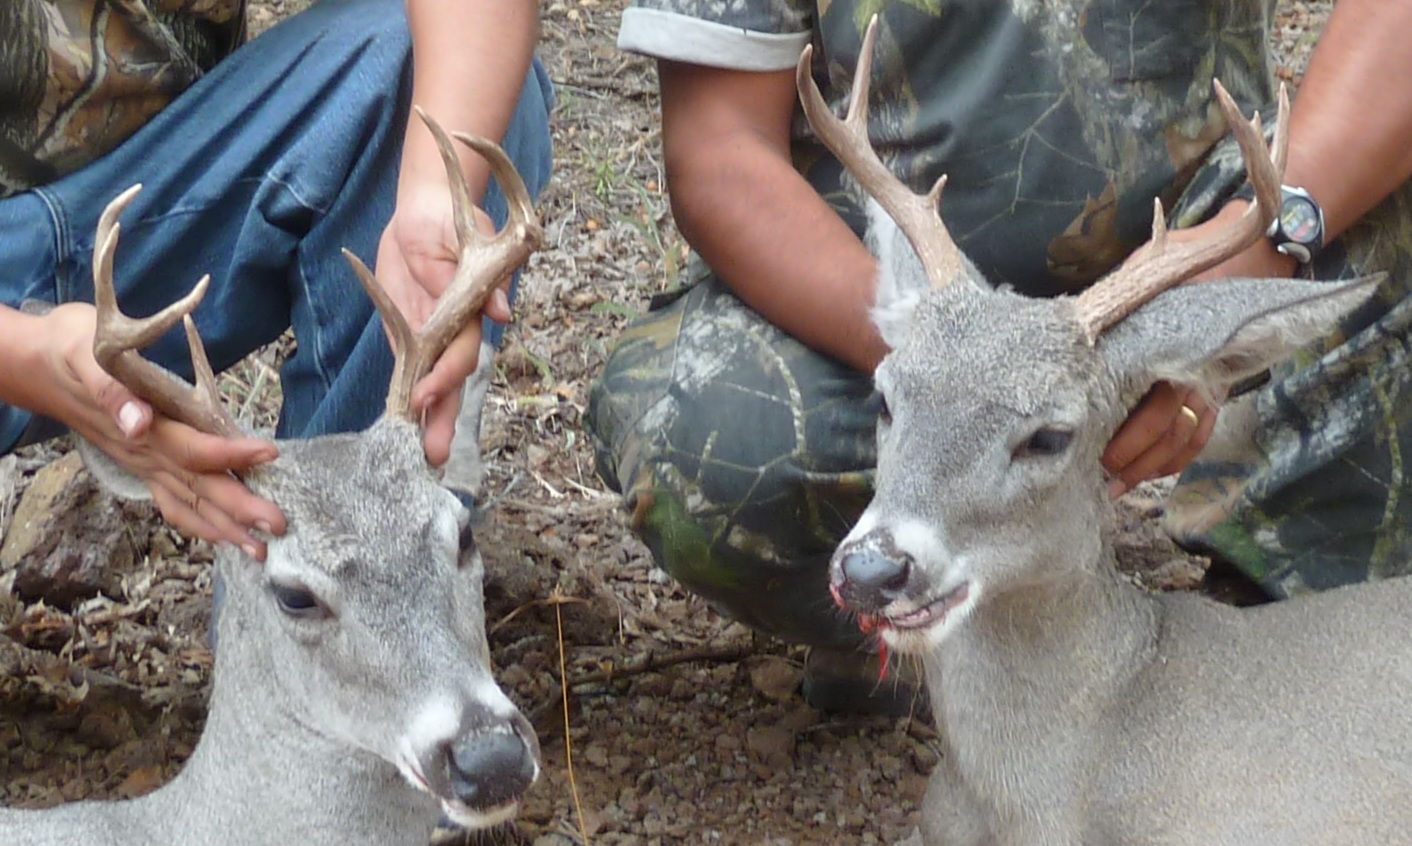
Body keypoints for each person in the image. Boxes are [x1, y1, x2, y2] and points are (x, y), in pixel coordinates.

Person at [588, 0, 1412, 713]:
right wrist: (968, 365)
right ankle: (921, 635)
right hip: (895, 273)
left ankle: (1286, 621)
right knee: (710, 442)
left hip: (1200, 235)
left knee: (1380, 220)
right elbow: (719, 152)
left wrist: (1271, 237)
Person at [0, 0, 553, 561]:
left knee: (451, 94)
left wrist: (435, 197)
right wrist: (28, 357)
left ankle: (356, 566)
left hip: (157, 198)